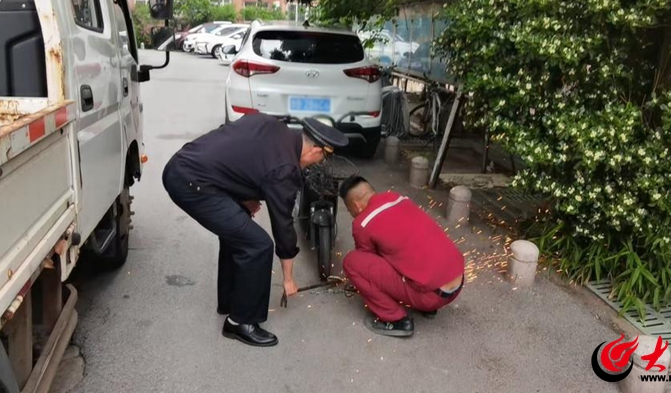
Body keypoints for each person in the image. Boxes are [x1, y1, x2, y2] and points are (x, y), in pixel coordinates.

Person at [163, 113, 348, 347]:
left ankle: (230, 302)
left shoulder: (272, 125)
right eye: (320, 159)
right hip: (192, 184)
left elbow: (238, 152)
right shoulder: (285, 168)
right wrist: (288, 279)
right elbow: (283, 225)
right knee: (258, 245)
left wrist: (243, 196)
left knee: (238, 233)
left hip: (184, 164)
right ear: (315, 151)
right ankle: (240, 322)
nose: (315, 164)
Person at [339, 176, 465, 337]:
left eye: (350, 210)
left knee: (352, 262)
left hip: (429, 297)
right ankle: (427, 306)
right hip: (457, 284)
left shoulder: (362, 223)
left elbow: (368, 261)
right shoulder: (397, 198)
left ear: (356, 206)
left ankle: (396, 320)